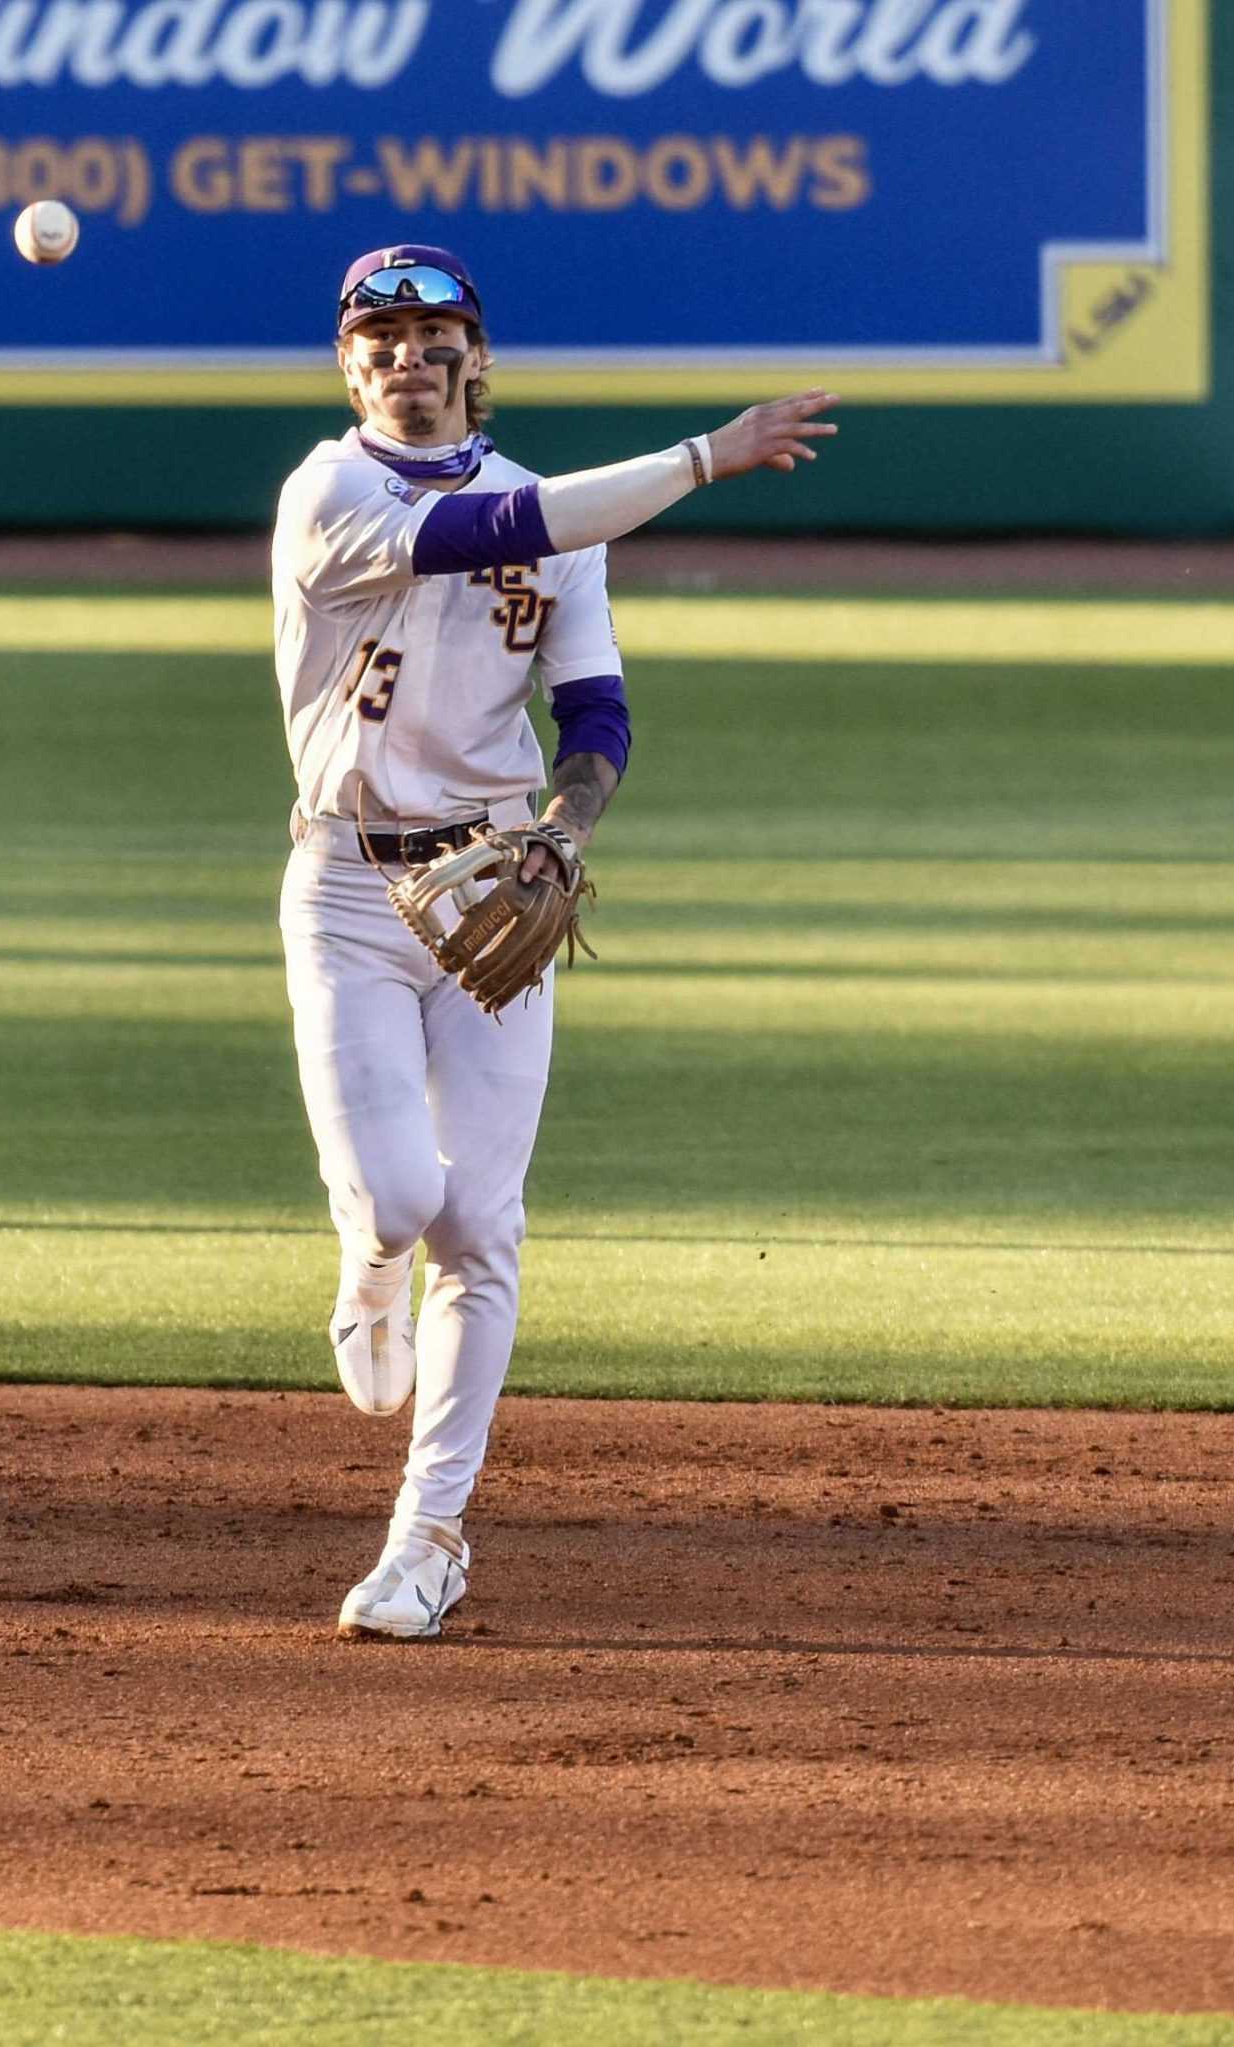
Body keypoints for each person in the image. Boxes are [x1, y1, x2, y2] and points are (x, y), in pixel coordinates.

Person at [271, 243, 838, 1639]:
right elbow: (485, 534)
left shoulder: (561, 526)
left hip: (490, 880)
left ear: (479, 354)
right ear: (351, 368)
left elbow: (596, 717)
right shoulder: (329, 493)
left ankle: (429, 1539)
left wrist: (568, 829)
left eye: (433, 333)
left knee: (484, 1223)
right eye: (380, 338)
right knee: (403, 1199)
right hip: (349, 888)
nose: (408, 355)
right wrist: (707, 458)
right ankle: (364, 1261)